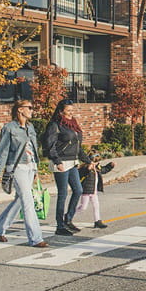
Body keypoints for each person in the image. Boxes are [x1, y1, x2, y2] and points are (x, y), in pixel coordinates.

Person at [0, 100, 47, 248]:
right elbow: (2, 152)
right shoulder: (9, 128)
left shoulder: (30, 127)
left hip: (30, 167)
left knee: (20, 200)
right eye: (30, 108)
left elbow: (33, 149)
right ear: (20, 110)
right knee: (27, 202)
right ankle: (36, 238)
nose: (32, 110)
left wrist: (36, 169)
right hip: (17, 168)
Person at [45, 99, 92, 236]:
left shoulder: (73, 125)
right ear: (60, 111)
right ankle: (60, 226)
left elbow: (77, 147)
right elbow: (49, 145)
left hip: (72, 162)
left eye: (72, 109)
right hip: (61, 162)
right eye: (68, 110)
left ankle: (68, 219)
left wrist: (88, 161)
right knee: (63, 194)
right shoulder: (55, 125)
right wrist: (56, 161)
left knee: (78, 190)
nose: (71, 112)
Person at [76, 150, 115, 229]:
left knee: (96, 206)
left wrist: (110, 166)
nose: (96, 164)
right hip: (86, 190)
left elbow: (103, 170)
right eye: (95, 163)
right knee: (83, 207)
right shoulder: (84, 167)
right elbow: (80, 175)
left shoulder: (97, 167)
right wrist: (88, 169)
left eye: (97, 163)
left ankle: (97, 221)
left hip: (94, 191)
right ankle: (67, 216)